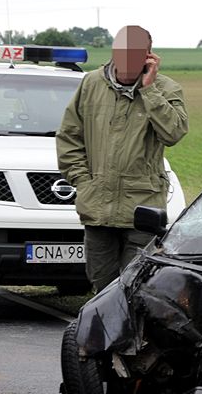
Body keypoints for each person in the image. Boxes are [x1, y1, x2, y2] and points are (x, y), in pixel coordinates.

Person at [57, 25, 188, 292]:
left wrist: (149, 91)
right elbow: (69, 137)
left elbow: (173, 133)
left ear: (149, 56)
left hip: (143, 209)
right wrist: (84, 183)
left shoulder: (167, 88)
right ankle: (102, 333)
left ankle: (134, 334)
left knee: (135, 285)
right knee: (101, 285)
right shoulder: (91, 84)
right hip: (98, 207)